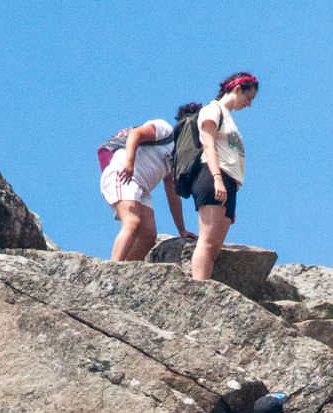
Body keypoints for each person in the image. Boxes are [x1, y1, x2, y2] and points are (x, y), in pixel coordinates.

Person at [101, 104, 200, 261]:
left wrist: (181, 229)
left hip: (141, 187)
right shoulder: (165, 130)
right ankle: (112, 269)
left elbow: (172, 190)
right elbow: (136, 134)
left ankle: (126, 272)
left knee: (148, 235)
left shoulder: (179, 155)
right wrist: (129, 163)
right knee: (132, 222)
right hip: (122, 173)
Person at [191, 72, 258, 281]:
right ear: (237, 89)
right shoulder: (212, 110)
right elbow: (208, 145)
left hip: (228, 183)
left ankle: (204, 284)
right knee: (207, 241)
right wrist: (217, 178)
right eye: (248, 98)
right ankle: (198, 287)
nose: (249, 104)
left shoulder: (229, 118)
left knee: (215, 247)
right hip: (213, 177)